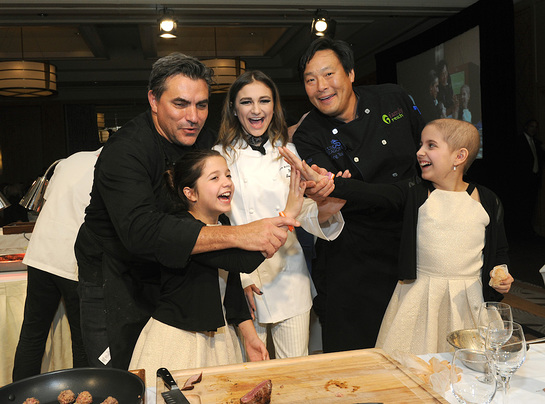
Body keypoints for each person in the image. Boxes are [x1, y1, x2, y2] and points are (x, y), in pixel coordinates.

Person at [75, 53, 297, 370]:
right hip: (114, 276)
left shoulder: (202, 141)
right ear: (154, 100)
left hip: (169, 278)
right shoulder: (125, 152)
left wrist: (241, 319)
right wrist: (241, 234)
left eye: (202, 105)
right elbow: (141, 233)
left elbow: (213, 225)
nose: (193, 116)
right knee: (120, 377)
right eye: (180, 104)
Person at [282, 119, 514, 354]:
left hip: (468, 302)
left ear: (459, 156)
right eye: (420, 144)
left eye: (431, 145)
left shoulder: (487, 200)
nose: (419, 152)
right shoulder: (414, 192)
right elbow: (368, 192)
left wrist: (501, 275)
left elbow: (498, 252)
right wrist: (328, 183)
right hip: (421, 298)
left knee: (468, 364)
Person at [291, 37, 425, 353]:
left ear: (350, 73)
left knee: (415, 346)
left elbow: (428, 149)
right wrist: (326, 188)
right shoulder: (309, 134)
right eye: (310, 80)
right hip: (354, 253)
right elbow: (331, 192)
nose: (320, 86)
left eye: (328, 74)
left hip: (412, 236)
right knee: (353, 354)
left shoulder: (394, 97)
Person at [214, 70, 345, 359]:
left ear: (275, 106)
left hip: (290, 277)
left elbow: (302, 210)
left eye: (264, 100)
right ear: (234, 109)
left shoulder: (290, 152)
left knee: (295, 374)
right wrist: (241, 281)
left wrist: (327, 208)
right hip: (245, 277)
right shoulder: (218, 157)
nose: (257, 110)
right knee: (248, 374)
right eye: (246, 102)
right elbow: (218, 225)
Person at [129, 150, 273, 386]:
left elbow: (232, 287)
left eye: (227, 175)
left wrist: (250, 337)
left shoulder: (222, 224)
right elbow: (242, 262)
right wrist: (288, 214)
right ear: (190, 193)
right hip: (179, 341)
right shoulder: (182, 229)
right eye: (214, 178)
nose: (227, 182)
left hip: (218, 339)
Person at [12, 149, 100, 381]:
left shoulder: (71, 160)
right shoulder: (111, 168)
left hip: (41, 254)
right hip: (73, 262)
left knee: (32, 334)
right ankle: (83, 392)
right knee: (81, 339)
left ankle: (19, 395)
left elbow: (49, 201)